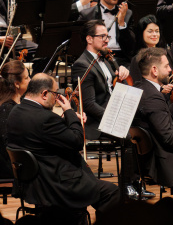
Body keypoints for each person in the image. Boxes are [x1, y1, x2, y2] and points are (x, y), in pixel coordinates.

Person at [7, 73, 120, 213]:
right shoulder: (45, 118)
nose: (56, 99)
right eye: (55, 94)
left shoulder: (15, 111)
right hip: (57, 184)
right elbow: (77, 141)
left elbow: (47, 135)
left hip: (32, 184)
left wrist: (69, 119)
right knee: (112, 192)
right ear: (44, 94)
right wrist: (69, 111)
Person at [132, 48, 173, 196]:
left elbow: (160, 116)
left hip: (152, 154)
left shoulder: (140, 87)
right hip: (163, 160)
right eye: (167, 66)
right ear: (154, 70)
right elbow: (169, 139)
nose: (170, 70)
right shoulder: (152, 97)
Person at [71, 20, 131, 132]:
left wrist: (121, 73)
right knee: (132, 136)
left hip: (115, 110)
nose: (107, 40)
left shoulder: (105, 58)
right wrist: (114, 118)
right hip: (99, 121)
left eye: (108, 36)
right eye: (103, 36)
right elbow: (88, 104)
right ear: (89, 39)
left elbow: (119, 87)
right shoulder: (82, 65)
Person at [78, 0, 135, 65]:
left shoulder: (127, 13)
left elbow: (130, 46)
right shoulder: (87, 15)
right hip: (97, 57)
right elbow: (81, 44)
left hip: (121, 58)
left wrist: (121, 23)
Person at [0, 60, 29, 178]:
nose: (30, 80)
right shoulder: (5, 109)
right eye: (26, 78)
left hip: (19, 160)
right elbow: (11, 144)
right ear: (16, 83)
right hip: (10, 166)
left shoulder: (20, 102)